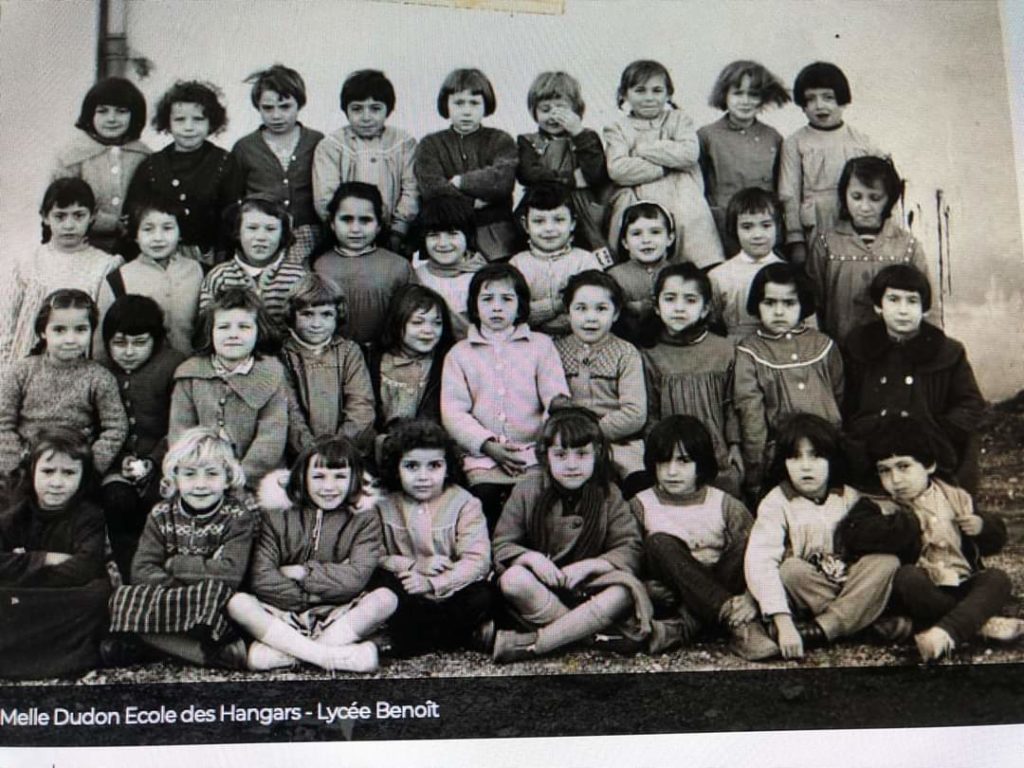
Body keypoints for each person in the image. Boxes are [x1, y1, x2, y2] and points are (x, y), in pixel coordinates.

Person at [841, 424, 1023, 661]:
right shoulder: (876, 504)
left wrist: (982, 526)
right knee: (907, 578)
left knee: (997, 578)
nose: (895, 479)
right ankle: (978, 624)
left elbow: (994, 540)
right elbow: (857, 535)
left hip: (961, 582)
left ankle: (943, 632)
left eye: (904, 466)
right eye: (884, 471)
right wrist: (907, 524)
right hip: (920, 590)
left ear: (929, 465)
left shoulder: (954, 496)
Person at [227, 436, 396, 671]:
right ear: (302, 477)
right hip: (280, 612)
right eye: (318, 477)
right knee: (238, 603)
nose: (329, 487)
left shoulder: (364, 518)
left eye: (340, 477)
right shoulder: (275, 513)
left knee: (386, 599)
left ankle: (289, 654)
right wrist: (309, 596)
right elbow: (262, 577)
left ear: (354, 478)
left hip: (337, 612)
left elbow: (356, 577)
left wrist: (303, 573)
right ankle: (327, 656)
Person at [490, 406, 646, 662]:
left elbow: (630, 547)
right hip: (544, 590)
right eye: (561, 455)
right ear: (545, 456)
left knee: (625, 591)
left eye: (582, 454)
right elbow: (503, 544)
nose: (572, 465)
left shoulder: (609, 493)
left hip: (590, 590)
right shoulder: (527, 489)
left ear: (596, 454)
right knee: (513, 579)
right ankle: (591, 635)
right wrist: (530, 559)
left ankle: (536, 643)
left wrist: (592, 565)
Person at [744, 413, 899, 659]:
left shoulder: (849, 497)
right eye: (795, 457)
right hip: (809, 591)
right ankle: (860, 622)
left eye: (816, 456)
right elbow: (760, 562)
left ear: (832, 459)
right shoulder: (776, 502)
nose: (806, 466)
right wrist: (783, 623)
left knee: (886, 562)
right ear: (783, 463)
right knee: (790, 570)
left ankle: (824, 628)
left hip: (850, 583)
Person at [106, 427, 255, 668]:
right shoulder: (161, 514)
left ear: (227, 478)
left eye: (211, 474)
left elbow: (230, 573)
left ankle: (174, 647)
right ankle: (200, 652)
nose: (200, 484)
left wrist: (174, 564)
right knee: (122, 597)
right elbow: (142, 569)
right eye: (190, 474)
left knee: (215, 596)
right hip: (172, 596)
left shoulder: (237, 516)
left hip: (210, 605)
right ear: (175, 477)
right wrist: (178, 588)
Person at [633, 415, 777, 660]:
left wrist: (751, 598)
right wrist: (643, 587)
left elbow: (761, 554)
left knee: (749, 541)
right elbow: (630, 555)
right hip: (673, 591)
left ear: (701, 463)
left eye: (683, 461)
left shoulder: (725, 504)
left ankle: (686, 626)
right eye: (663, 462)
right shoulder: (640, 504)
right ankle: (734, 622)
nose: (672, 471)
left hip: (723, 581)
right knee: (659, 542)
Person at [441, 263, 569, 530]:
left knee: (536, 502)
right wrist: (487, 445)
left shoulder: (540, 346)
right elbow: (453, 411)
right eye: (487, 299)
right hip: (484, 456)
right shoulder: (460, 354)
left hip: (533, 453)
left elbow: (555, 395)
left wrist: (545, 438)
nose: (496, 307)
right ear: (474, 307)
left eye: (507, 299)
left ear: (521, 306)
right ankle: (493, 564)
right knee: (485, 500)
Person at [842, 264, 985, 492]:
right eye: (893, 300)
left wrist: (936, 432)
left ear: (925, 309)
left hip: (928, 452)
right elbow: (845, 400)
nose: (903, 310)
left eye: (912, 301)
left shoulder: (947, 351)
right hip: (870, 450)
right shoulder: (858, 347)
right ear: (878, 306)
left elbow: (971, 404)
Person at [373, 418, 494, 656]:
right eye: (411, 466)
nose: (423, 476)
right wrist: (415, 565)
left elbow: (477, 560)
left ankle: (416, 638)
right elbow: (372, 553)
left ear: (448, 467)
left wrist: (433, 583)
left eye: (434, 466)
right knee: (381, 585)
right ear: (396, 468)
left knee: (483, 595)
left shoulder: (465, 503)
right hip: (407, 588)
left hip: (450, 591)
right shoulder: (382, 505)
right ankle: (456, 636)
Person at [0, 430, 111, 679]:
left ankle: (59, 654)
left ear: (82, 477)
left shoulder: (89, 517)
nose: (57, 482)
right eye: (48, 472)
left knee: (98, 594)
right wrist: (42, 559)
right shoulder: (17, 515)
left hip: (63, 597)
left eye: (69, 473)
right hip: (25, 596)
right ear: (32, 472)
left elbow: (85, 567)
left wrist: (21, 571)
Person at [733, 263, 843, 501]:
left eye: (789, 303)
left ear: (803, 304)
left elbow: (839, 396)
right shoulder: (750, 351)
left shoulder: (823, 345)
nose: (779, 312)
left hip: (827, 453)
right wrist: (756, 469)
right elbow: (751, 414)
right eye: (770, 303)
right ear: (757, 305)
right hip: (782, 457)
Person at [604, 59, 723, 269]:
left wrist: (643, 149)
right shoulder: (617, 128)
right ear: (624, 94)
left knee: (696, 256)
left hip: (684, 197)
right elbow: (618, 169)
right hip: (641, 198)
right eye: (640, 90)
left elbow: (688, 154)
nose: (649, 98)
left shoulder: (679, 120)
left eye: (657, 90)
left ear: (668, 94)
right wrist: (665, 166)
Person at [100, 295, 185, 579]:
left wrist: (153, 461)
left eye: (139, 343)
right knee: (116, 501)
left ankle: (160, 576)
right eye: (119, 343)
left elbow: (178, 425)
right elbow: (100, 424)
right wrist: (122, 459)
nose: (128, 352)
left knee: (157, 506)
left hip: (163, 462)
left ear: (157, 340)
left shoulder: (173, 367)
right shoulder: (102, 370)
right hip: (118, 464)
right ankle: (129, 577)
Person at [169, 288, 289, 489]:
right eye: (223, 327)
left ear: (259, 331)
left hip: (256, 479)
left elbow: (271, 437)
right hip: (200, 478)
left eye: (244, 327)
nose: (233, 335)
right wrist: (203, 474)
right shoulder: (190, 374)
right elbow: (181, 432)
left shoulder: (271, 374)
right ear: (210, 332)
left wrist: (239, 475)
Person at [0, 289, 127, 478]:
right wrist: (14, 467)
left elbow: (116, 427)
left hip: (74, 467)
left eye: (80, 330)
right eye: (59, 330)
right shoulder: (22, 371)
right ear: (43, 332)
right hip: (25, 466)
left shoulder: (99, 377)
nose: (70, 339)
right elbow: (3, 421)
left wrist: (90, 467)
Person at [642, 264, 743, 498]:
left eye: (690, 300)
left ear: (706, 308)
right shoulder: (649, 354)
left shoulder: (725, 350)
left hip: (719, 456)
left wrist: (735, 444)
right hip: (671, 461)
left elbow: (733, 404)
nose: (679, 308)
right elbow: (651, 415)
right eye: (670, 299)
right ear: (657, 307)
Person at [806, 156, 932, 343]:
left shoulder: (907, 246)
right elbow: (812, 302)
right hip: (840, 349)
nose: (864, 207)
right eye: (856, 197)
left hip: (894, 353)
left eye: (875, 198)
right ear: (844, 195)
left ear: (889, 198)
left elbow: (926, 303)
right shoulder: (826, 244)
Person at [1, 179, 122, 363]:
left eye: (78, 215)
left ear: (93, 216)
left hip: (80, 371)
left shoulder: (105, 266)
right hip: (26, 368)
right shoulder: (27, 263)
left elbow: (106, 332)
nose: (69, 225)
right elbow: (5, 326)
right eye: (60, 216)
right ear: (45, 217)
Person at [124, 80, 243, 266]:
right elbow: (135, 217)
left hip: (210, 257)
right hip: (156, 255)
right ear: (167, 123)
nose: (189, 127)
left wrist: (222, 261)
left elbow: (231, 219)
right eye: (180, 119)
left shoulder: (225, 162)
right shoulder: (151, 166)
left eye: (198, 119)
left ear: (211, 122)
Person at [777, 62, 881, 264]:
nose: (820, 105)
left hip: (854, 223)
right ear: (803, 106)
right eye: (811, 99)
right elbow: (789, 194)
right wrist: (796, 240)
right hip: (815, 226)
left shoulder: (861, 141)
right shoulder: (795, 143)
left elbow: (882, 187)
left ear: (842, 101)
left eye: (828, 97)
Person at [554, 271, 646, 494]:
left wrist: (593, 433)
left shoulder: (625, 353)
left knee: (637, 483)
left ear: (615, 314)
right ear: (568, 312)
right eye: (581, 308)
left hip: (618, 443)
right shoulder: (553, 351)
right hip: (565, 441)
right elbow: (549, 401)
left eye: (601, 309)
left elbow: (635, 413)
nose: (591, 318)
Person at [414, 68, 521, 262]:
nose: (466, 111)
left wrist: (461, 182)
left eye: (474, 103)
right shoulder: (430, 144)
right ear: (446, 105)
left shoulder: (500, 140)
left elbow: (502, 181)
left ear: (485, 105)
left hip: (494, 235)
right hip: (445, 234)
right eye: (458, 103)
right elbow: (431, 188)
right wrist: (472, 203)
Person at [313, 69, 417, 255]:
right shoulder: (331, 146)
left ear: (388, 109)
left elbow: (412, 189)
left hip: (395, 236)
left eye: (375, 108)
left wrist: (398, 229)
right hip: (344, 237)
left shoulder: (403, 143)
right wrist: (345, 227)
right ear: (346, 110)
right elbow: (325, 196)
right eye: (357, 109)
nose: (366, 117)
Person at [231, 64, 324, 264]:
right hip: (263, 235)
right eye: (268, 108)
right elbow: (235, 196)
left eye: (285, 107)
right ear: (258, 107)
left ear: (299, 104)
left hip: (307, 236)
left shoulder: (317, 142)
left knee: (303, 288)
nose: (276, 115)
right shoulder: (245, 147)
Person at [697, 60, 789, 254]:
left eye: (753, 94)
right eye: (738, 93)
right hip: (721, 227)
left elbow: (780, 188)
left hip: (762, 227)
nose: (745, 101)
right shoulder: (707, 136)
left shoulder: (772, 137)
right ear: (724, 95)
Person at [52, 76, 151, 254]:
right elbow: (60, 204)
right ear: (90, 114)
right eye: (102, 111)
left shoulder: (144, 156)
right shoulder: (71, 157)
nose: (111, 119)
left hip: (134, 248)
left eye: (121, 111)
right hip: (82, 246)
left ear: (134, 115)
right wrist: (110, 223)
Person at [279, 273, 375, 455]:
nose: (317, 324)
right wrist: (311, 451)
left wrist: (338, 447)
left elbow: (361, 405)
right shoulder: (282, 355)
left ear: (337, 315)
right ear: (292, 315)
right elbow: (289, 411)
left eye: (326, 315)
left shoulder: (348, 352)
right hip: (298, 455)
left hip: (347, 453)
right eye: (307, 314)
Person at [97, 196, 203, 356]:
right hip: (141, 373)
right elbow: (102, 341)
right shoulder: (118, 279)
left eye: (167, 228)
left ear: (180, 232)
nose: (158, 238)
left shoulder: (199, 271)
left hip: (193, 369)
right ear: (135, 235)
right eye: (148, 229)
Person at [517, 70, 610, 252]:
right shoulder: (528, 141)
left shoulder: (587, 137)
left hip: (582, 209)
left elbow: (596, 174)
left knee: (594, 248)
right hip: (542, 205)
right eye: (545, 110)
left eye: (561, 109)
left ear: (577, 110)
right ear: (533, 112)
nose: (553, 116)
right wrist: (571, 179)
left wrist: (578, 134)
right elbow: (528, 174)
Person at [311, 182, 413, 345]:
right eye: (347, 219)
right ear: (332, 223)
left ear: (379, 225)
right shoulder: (319, 266)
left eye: (365, 220)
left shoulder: (398, 266)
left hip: (386, 357)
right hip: (330, 356)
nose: (355, 229)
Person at [510, 184, 611, 336]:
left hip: (579, 341)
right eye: (539, 221)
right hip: (530, 344)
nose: (549, 228)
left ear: (572, 223)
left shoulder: (585, 261)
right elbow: (514, 312)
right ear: (525, 225)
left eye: (559, 220)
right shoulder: (517, 265)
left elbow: (593, 307)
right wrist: (555, 306)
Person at [198, 194, 308, 329]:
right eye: (252, 228)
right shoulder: (220, 276)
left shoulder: (296, 277)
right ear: (238, 232)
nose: (261, 237)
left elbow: (304, 326)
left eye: (271, 229)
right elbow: (205, 326)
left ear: (282, 234)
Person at [367, 284, 455, 434]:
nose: (428, 331)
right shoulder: (371, 360)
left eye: (437, 323)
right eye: (417, 322)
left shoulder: (447, 362)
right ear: (397, 322)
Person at [707, 188, 784, 341]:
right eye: (747, 227)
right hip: (735, 348)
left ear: (778, 227)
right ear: (734, 229)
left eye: (766, 225)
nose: (757, 235)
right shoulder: (718, 275)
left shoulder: (788, 272)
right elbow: (710, 323)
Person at [409, 196, 486, 339]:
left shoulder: (484, 277)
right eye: (434, 235)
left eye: (452, 234)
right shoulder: (417, 277)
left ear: (468, 236)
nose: (443, 243)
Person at [607, 200, 675, 346]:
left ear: (670, 238)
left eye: (655, 232)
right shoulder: (615, 276)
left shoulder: (678, 274)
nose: (646, 240)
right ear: (625, 242)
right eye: (636, 233)